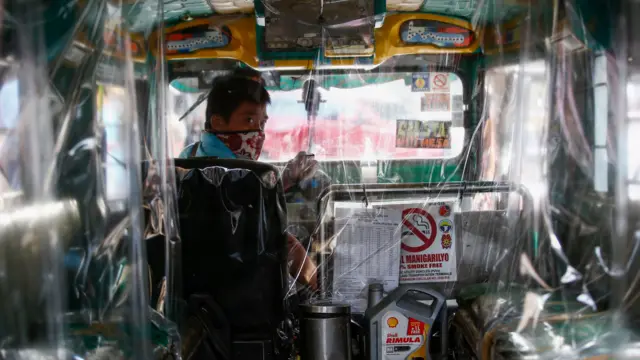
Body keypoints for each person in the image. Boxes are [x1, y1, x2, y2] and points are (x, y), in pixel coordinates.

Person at [178, 68, 319, 289]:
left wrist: (286, 178)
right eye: (249, 120)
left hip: (189, 285)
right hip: (239, 290)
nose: (257, 132)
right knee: (288, 244)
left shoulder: (188, 156)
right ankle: (322, 289)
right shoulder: (239, 172)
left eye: (262, 123)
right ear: (218, 122)